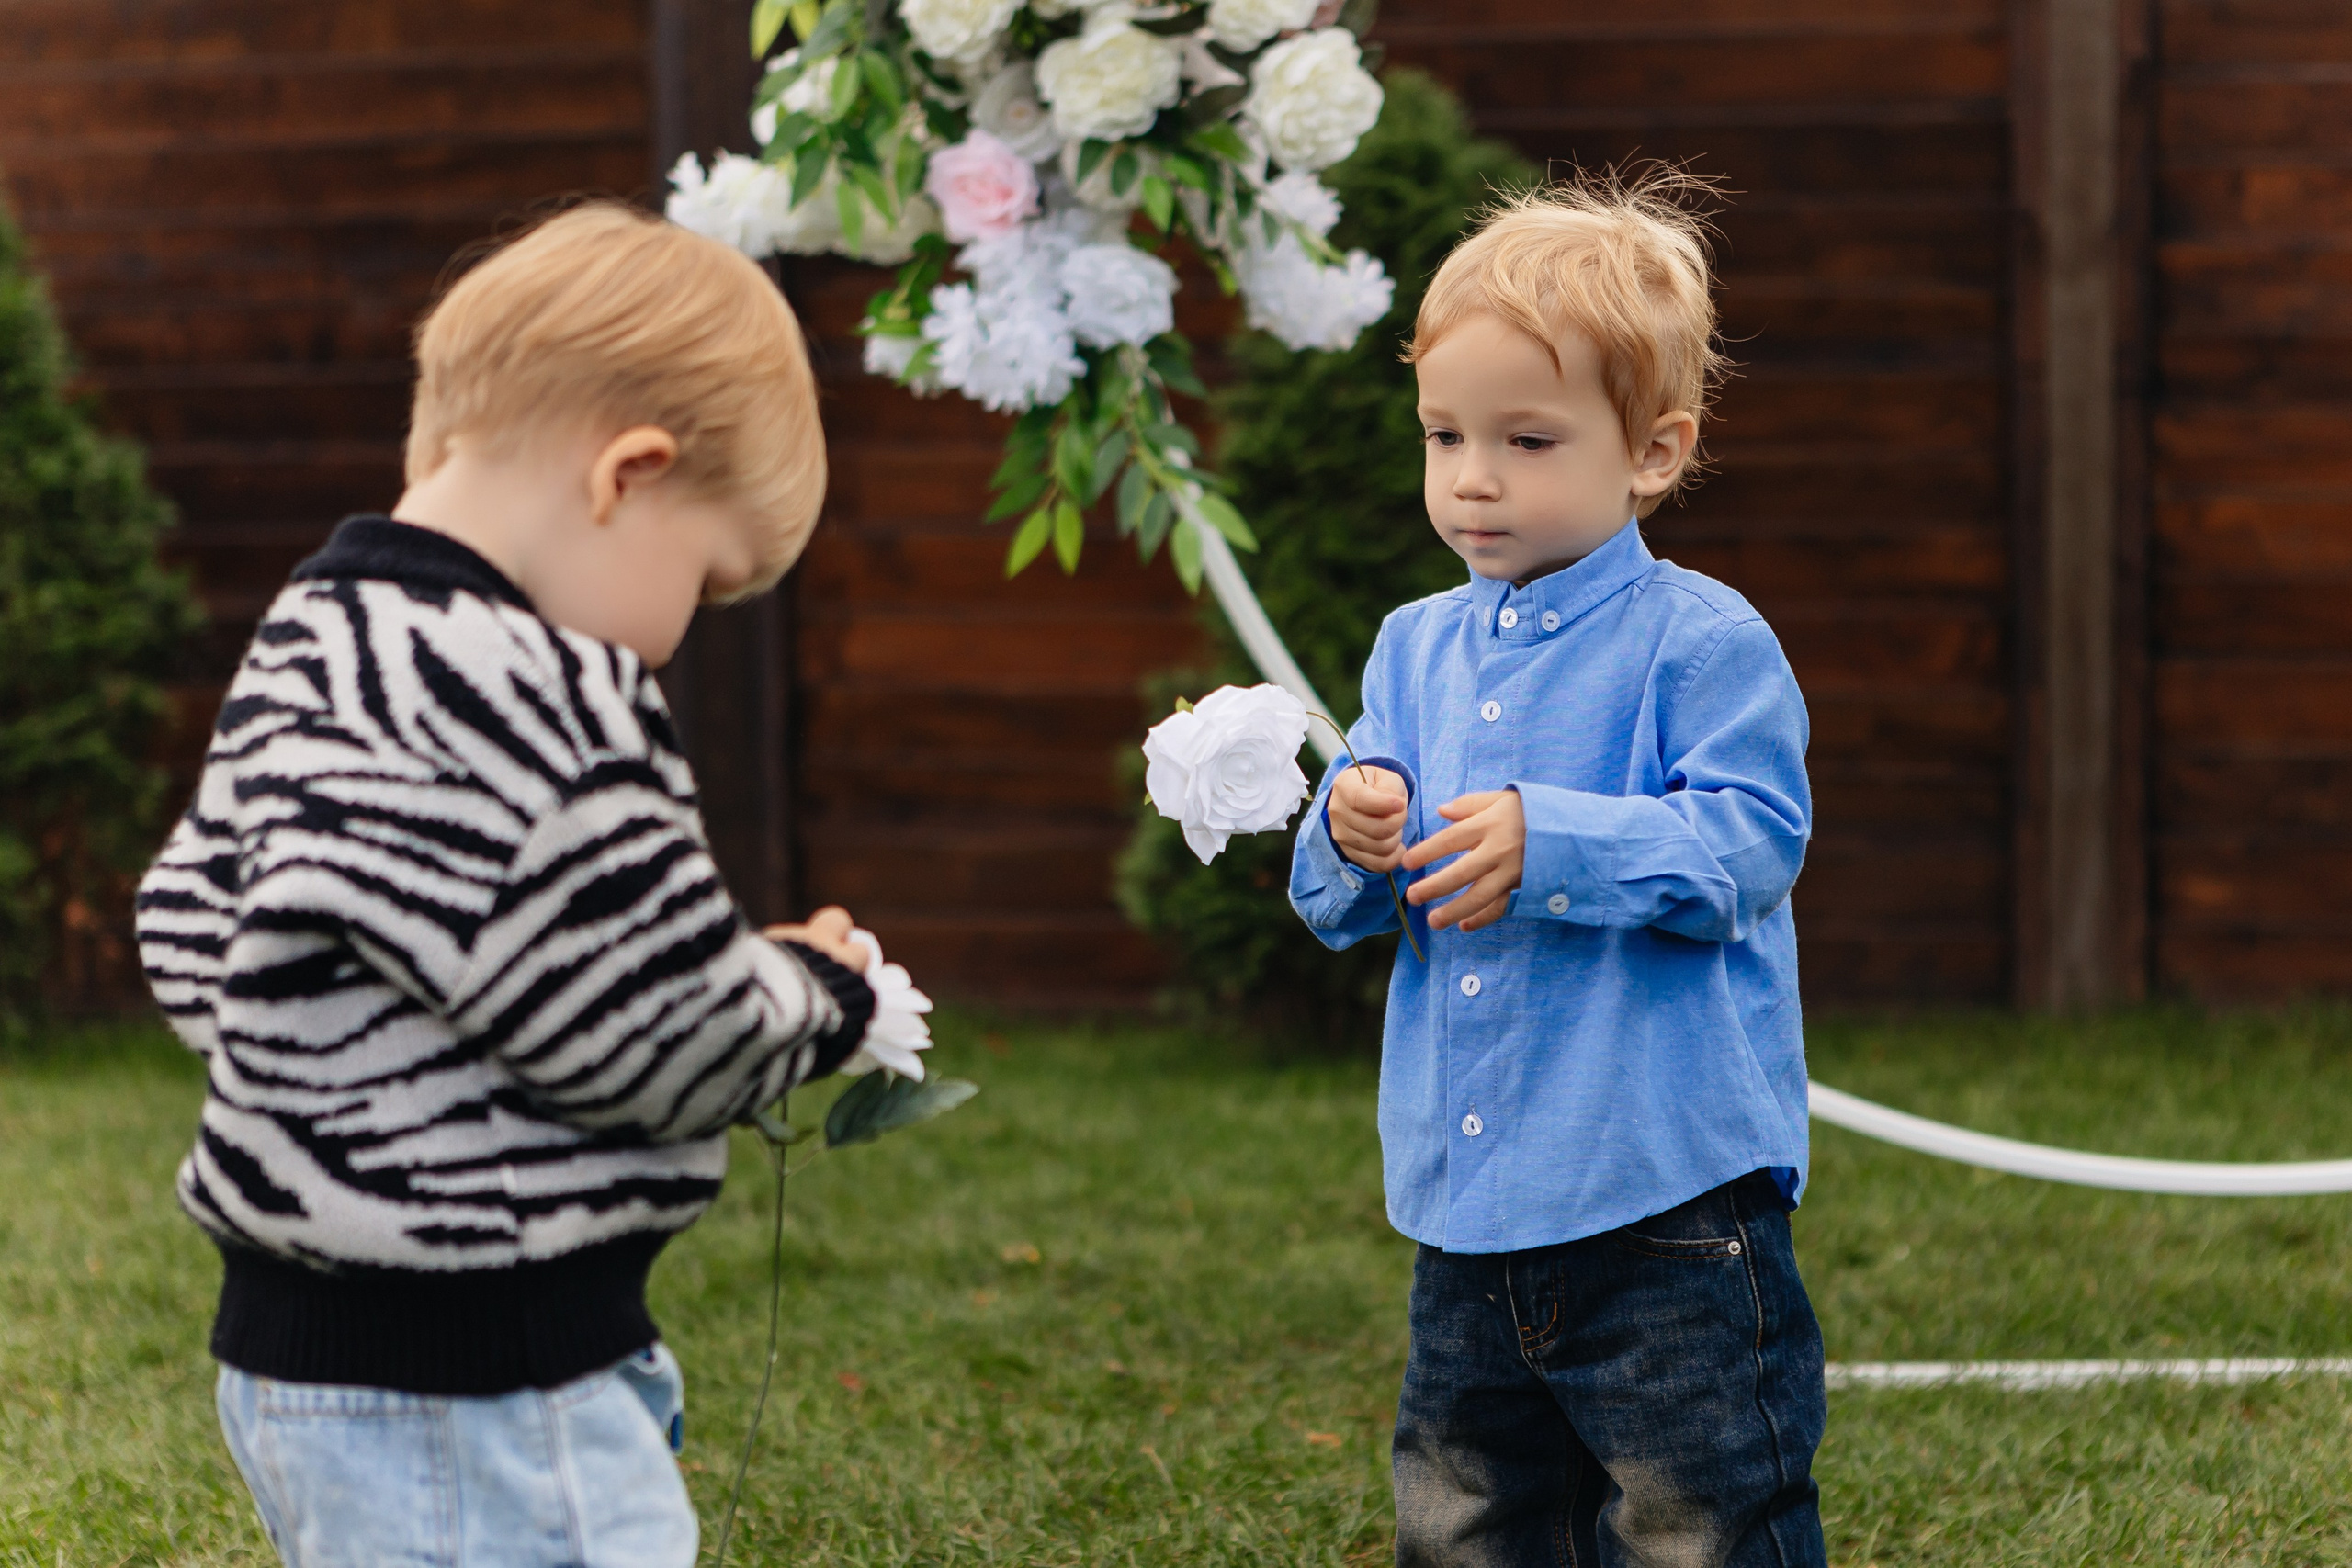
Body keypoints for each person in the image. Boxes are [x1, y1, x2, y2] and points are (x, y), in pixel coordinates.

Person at [134, 202, 870, 1568]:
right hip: (490, 1376)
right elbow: (661, 1036)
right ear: (628, 476)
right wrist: (821, 991)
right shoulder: (546, 695)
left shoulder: (313, 635)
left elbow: (190, 929)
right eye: (704, 581)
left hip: (292, 1364)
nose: (673, 641)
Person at [1289, 175, 1826, 1568]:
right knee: (1468, 1516)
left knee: (1701, 1519)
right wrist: (1349, 831)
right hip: (1467, 1209)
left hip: (1665, 1203)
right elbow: (1341, 901)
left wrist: (1556, 841)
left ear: (1652, 452)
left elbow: (1752, 844)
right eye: (1444, 435)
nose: (1473, 477)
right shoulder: (1413, 647)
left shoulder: (1702, 642)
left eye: (1527, 440)